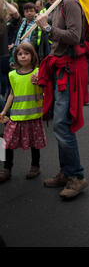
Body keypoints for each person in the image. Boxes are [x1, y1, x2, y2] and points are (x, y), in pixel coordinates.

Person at [33, 0, 89, 199]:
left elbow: (74, 37)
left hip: (70, 70)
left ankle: (76, 176)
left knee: (62, 124)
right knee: (60, 122)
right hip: (59, 68)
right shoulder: (54, 5)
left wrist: (47, 27)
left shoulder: (70, 2)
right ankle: (66, 172)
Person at [0, 43, 46, 182]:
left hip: (33, 115)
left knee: (34, 143)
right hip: (16, 116)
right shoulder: (12, 75)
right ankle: (6, 168)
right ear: (16, 57)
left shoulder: (37, 72)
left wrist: (39, 83)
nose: (23, 56)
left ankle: (35, 166)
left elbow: (44, 91)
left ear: (32, 56)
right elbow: (11, 95)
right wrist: (4, 111)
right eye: (20, 54)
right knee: (6, 143)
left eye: (26, 53)